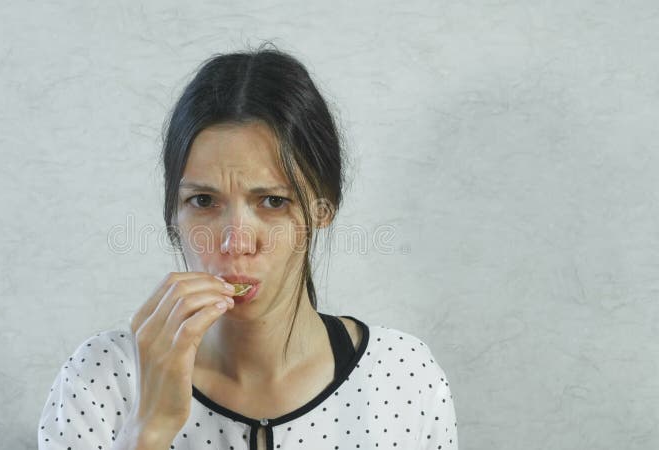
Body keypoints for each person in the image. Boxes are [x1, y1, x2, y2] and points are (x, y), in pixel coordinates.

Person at [38, 44, 458, 450]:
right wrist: (147, 432)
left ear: (324, 207)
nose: (234, 242)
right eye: (203, 201)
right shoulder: (101, 377)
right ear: (173, 213)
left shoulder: (405, 377)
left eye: (273, 201)